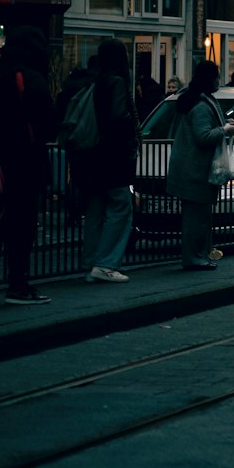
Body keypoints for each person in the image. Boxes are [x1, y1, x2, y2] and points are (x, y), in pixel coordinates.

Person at [0, 26, 56, 305]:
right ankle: (18, 284)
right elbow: (48, 126)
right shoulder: (30, 79)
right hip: (24, 164)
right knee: (21, 226)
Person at [77, 38, 139, 284]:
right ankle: (106, 263)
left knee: (95, 209)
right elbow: (118, 119)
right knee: (121, 207)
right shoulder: (117, 82)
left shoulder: (94, 81)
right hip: (113, 156)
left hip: (91, 155)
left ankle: (91, 262)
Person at [167, 59, 234, 271]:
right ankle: (194, 257)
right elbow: (203, 136)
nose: (219, 80)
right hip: (196, 170)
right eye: (216, 76)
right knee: (196, 218)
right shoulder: (201, 106)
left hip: (192, 168)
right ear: (209, 79)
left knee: (196, 217)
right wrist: (225, 129)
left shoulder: (196, 100)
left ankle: (197, 255)